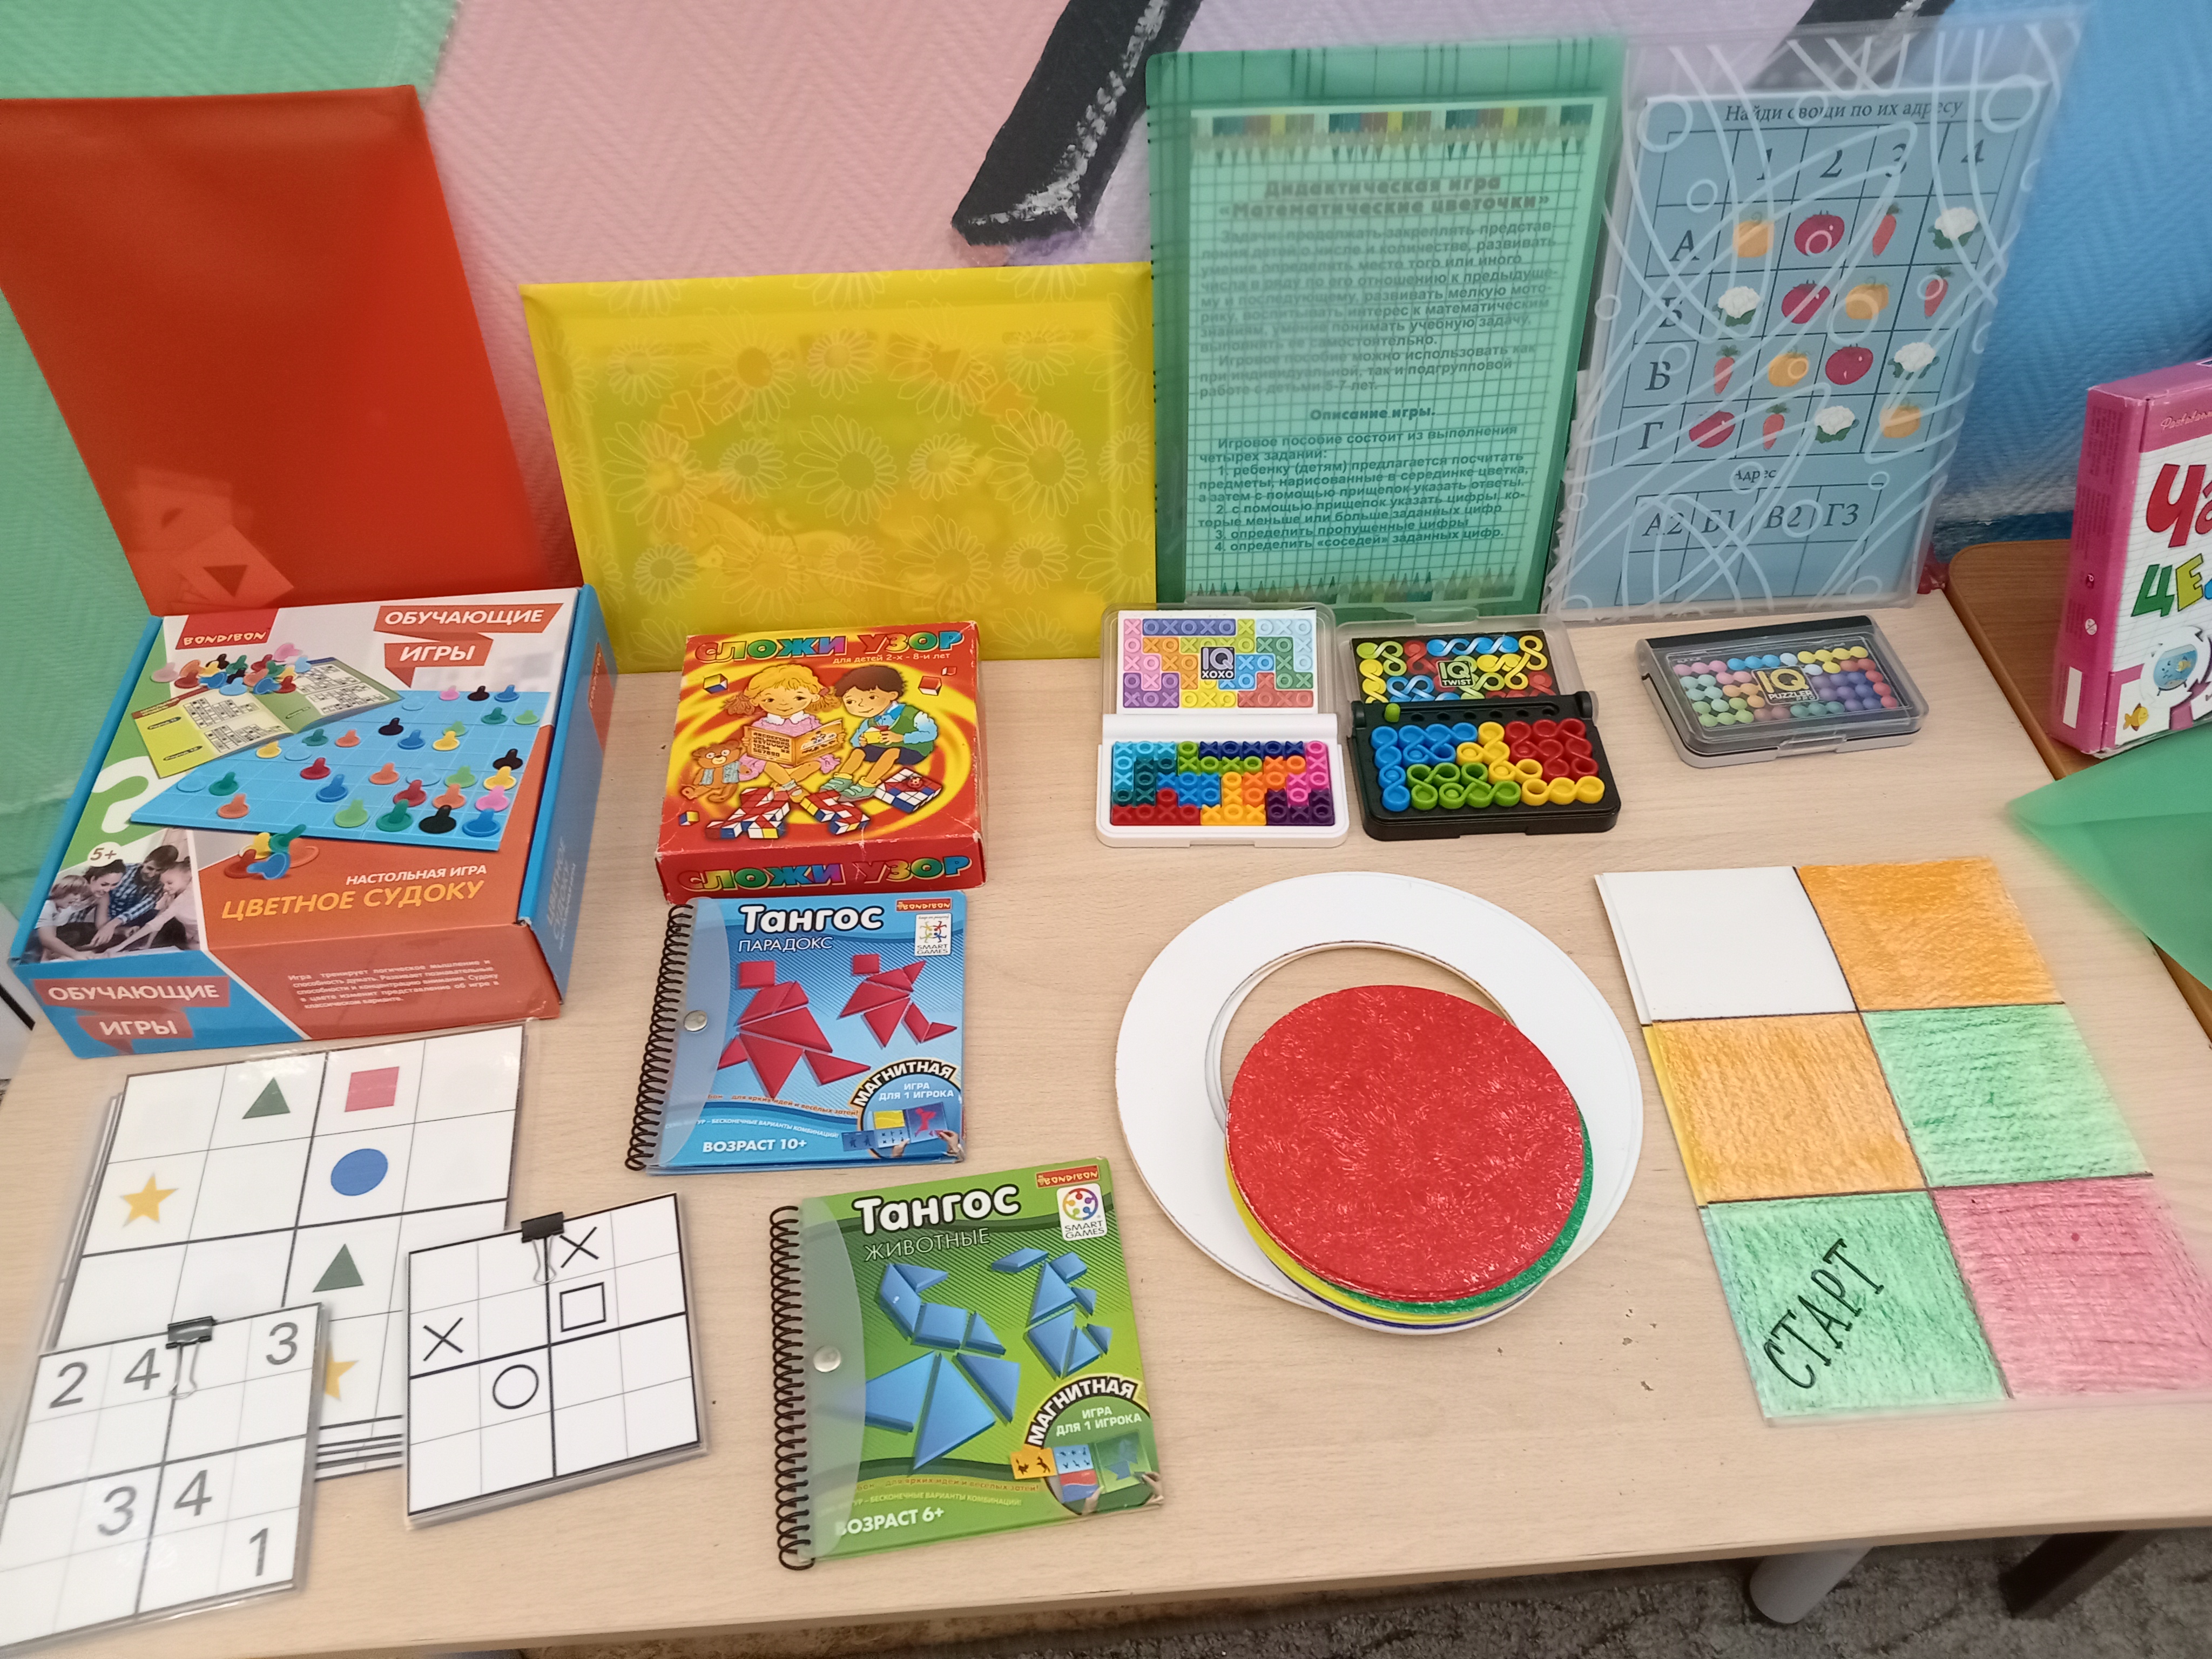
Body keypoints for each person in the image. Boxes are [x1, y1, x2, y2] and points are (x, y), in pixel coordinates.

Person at [721, 664, 844, 793]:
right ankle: (791, 786)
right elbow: (754, 741)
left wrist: (835, 739)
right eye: (770, 700)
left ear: (814, 697)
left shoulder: (810, 721)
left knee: (816, 763)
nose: (784, 704)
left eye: (799, 698)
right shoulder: (763, 724)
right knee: (767, 763)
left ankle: (783, 784)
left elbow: (823, 736)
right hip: (774, 761)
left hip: (803, 760)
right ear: (756, 701)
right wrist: (749, 743)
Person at [827, 664, 939, 794]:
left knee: (892, 752)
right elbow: (855, 740)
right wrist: (860, 741)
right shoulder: (870, 722)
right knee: (858, 752)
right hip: (883, 748)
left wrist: (902, 738)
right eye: (851, 702)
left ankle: (867, 785)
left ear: (892, 695)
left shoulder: (912, 714)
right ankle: (842, 779)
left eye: (872, 697)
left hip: (914, 749)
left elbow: (931, 733)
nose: (861, 705)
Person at [34, 861, 126, 959]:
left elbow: (101, 926)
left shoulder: (102, 897)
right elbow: (47, 936)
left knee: (96, 934)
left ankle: (67, 951)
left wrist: (122, 930)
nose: (108, 889)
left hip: (59, 928)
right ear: (93, 879)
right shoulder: (70, 887)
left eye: (114, 885)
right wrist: (76, 955)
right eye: (104, 884)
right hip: (42, 930)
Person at [113, 860, 197, 952]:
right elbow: (159, 920)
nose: (165, 888)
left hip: (200, 936)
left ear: (188, 878)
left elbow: (159, 921)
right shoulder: (171, 895)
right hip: (189, 934)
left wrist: (120, 946)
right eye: (163, 884)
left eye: (170, 883)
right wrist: (148, 944)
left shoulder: (189, 895)